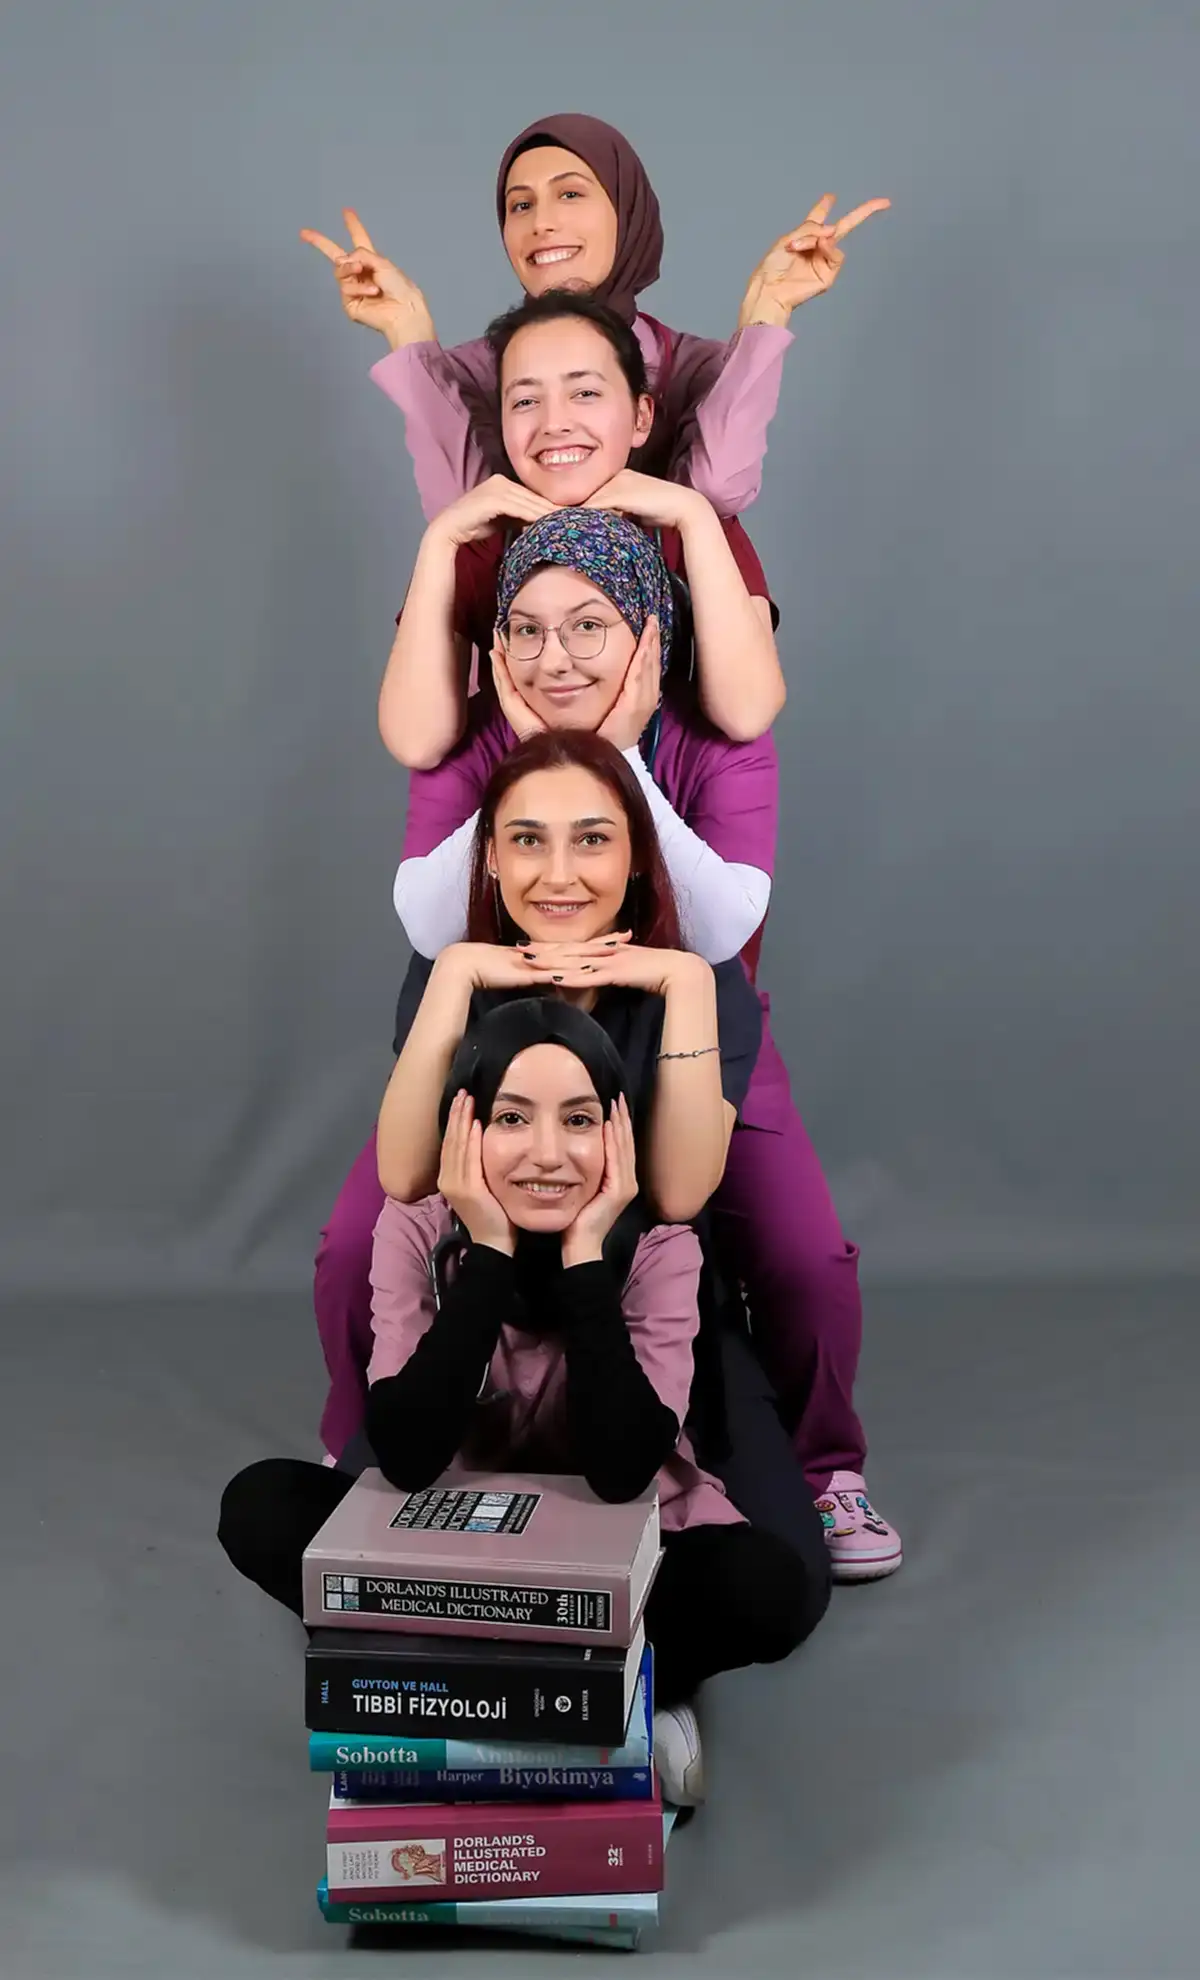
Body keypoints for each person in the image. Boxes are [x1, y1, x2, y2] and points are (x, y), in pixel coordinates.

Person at [322, 499, 904, 1580]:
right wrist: (469, 956)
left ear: (649, 638)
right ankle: (367, 1434)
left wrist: (615, 760)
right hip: (497, 1017)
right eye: (528, 630)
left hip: (681, 1017)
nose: (557, 656)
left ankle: (826, 1467)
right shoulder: (468, 746)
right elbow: (430, 928)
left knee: (800, 1255)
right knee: (353, 1245)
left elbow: (716, 935)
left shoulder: (713, 746)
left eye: (589, 626)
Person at [220, 998, 831, 1806]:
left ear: (615, 1134)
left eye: (578, 1120)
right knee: (260, 1503)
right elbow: (408, 1455)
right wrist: (490, 1253)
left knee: (768, 1587)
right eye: (511, 1118)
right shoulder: (414, 1227)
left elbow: (621, 1471)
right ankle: (595, 1695)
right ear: (465, 1127)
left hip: (612, 1544)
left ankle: (512, 1686)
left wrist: (585, 1259)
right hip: (449, 1543)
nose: (547, 1152)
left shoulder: (662, 1247)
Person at [301, 111, 889, 520]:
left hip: (672, 656)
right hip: (513, 656)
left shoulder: (696, 367)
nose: (542, 223)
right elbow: (463, 516)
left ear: (626, 212)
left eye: (571, 194)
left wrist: (767, 310)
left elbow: (717, 492)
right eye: (520, 205)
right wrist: (408, 334)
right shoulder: (471, 374)